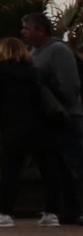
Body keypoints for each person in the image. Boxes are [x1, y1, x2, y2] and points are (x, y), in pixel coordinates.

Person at [0, 37, 70, 227]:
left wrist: (0, 122)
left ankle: (5, 212)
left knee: (10, 170)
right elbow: (54, 95)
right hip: (42, 127)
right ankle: (51, 213)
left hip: (14, 127)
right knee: (48, 169)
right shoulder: (34, 72)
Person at [22, 12, 83, 224]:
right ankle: (70, 209)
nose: (24, 33)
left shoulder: (58, 50)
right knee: (61, 167)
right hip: (48, 120)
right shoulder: (34, 52)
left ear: (41, 30)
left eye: (27, 28)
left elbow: (71, 85)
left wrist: (60, 105)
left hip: (67, 116)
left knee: (76, 162)